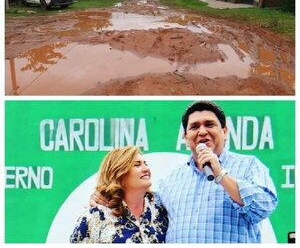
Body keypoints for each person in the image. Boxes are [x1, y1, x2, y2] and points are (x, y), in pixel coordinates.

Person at [91, 101, 278, 243]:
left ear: (225, 131)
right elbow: (141, 206)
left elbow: (264, 207)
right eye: (195, 127)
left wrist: (220, 175)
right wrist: (106, 196)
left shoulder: (249, 166)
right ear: (185, 137)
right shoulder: (172, 180)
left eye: (209, 124)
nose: (202, 131)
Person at [70, 146, 168, 243]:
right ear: (119, 173)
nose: (146, 168)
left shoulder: (161, 212)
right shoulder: (95, 216)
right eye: (137, 165)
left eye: (145, 164)